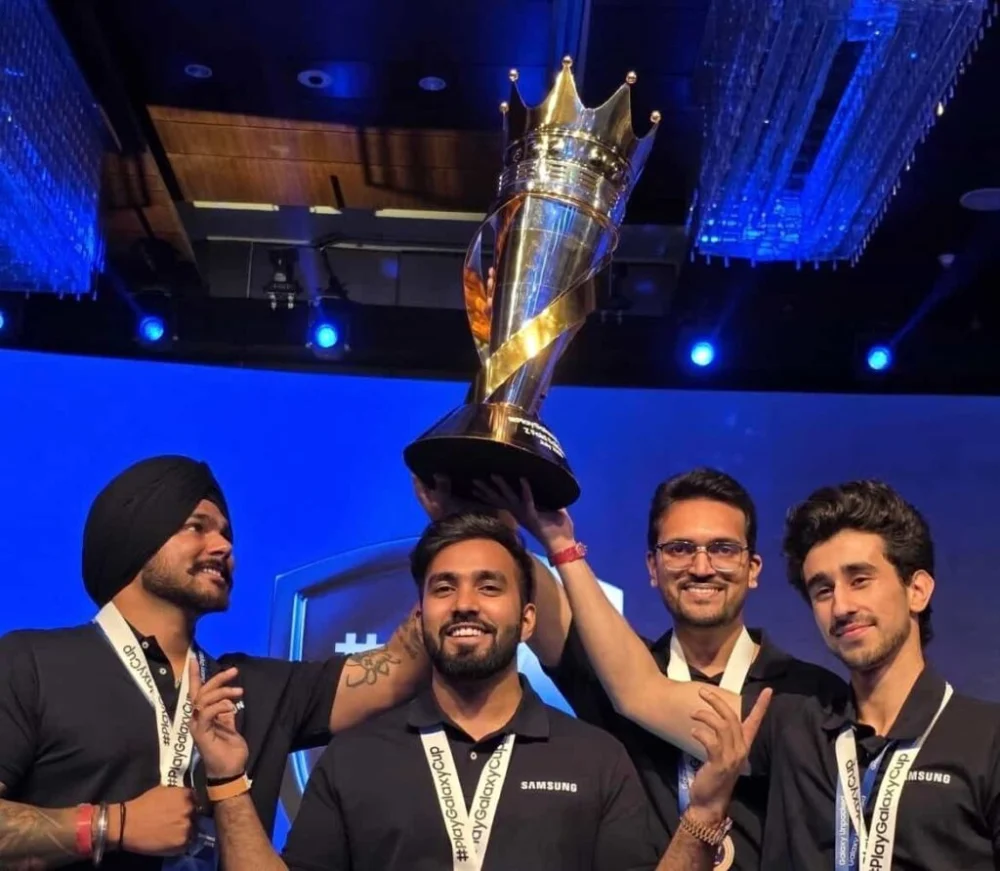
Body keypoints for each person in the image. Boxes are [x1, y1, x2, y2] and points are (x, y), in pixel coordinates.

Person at [189, 511, 772, 871]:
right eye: (444, 587)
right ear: (421, 614)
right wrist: (229, 783)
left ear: (526, 619)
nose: (464, 603)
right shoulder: (355, 758)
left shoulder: (595, 758)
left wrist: (703, 813)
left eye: (489, 587)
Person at [0, 455, 429, 871]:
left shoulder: (252, 688)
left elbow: (396, 669)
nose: (224, 547)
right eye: (196, 527)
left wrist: (454, 527)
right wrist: (111, 825)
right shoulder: (32, 664)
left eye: (226, 534)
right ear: (135, 537)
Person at [443, 469, 844, 871]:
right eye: (679, 549)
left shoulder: (809, 695)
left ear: (753, 568)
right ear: (652, 567)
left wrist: (562, 546)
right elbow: (527, 591)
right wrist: (479, 517)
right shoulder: (612, 668)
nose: (701, 567)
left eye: (723, 548)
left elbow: (639, 691)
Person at [743, 479, 1000, 870]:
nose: (841, 606)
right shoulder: (792, 727)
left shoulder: (989, 739)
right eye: (823, 590)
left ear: (917, 590)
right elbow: (649, 696)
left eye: (859, 580)